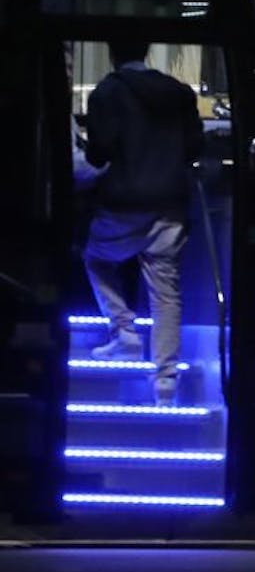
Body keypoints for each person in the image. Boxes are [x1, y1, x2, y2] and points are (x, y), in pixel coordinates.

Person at [83, 40, 204, 404]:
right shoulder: (178, 93)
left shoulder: (108, 92)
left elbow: (97, 152)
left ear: (111, 53)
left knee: (93, 256)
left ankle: (124, 333)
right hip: (170, 207)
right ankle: (165, 382)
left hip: (123, 206)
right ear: (148, 51)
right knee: (166, 293)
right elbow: (194, 147)